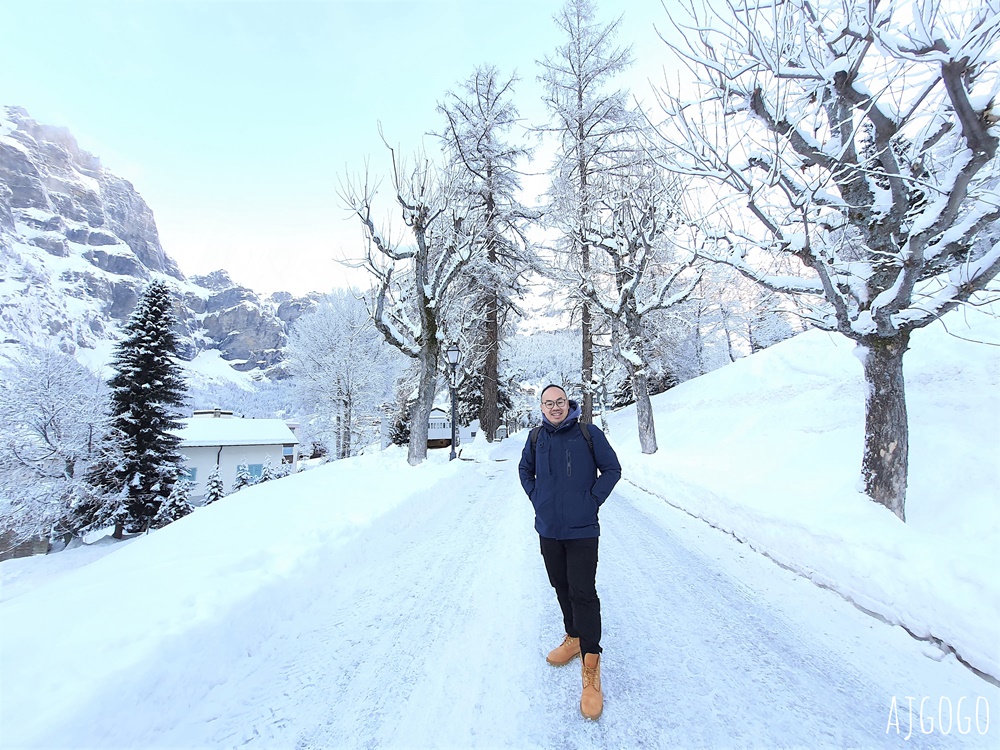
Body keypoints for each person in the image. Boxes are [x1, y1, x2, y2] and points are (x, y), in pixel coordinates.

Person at [518, 384, 621, 721]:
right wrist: (538, 500)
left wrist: (592, 501)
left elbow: (612, 469)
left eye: (560, 402)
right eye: (549, 403)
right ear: (542, 407)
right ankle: (574, 637)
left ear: (569, 403)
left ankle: (591, 665)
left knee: (583, 592)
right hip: (548, 530)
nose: (555, 407)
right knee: (560, 586)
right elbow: (524, 470)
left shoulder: (588, 434)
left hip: (582, 530)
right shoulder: (536, 438)